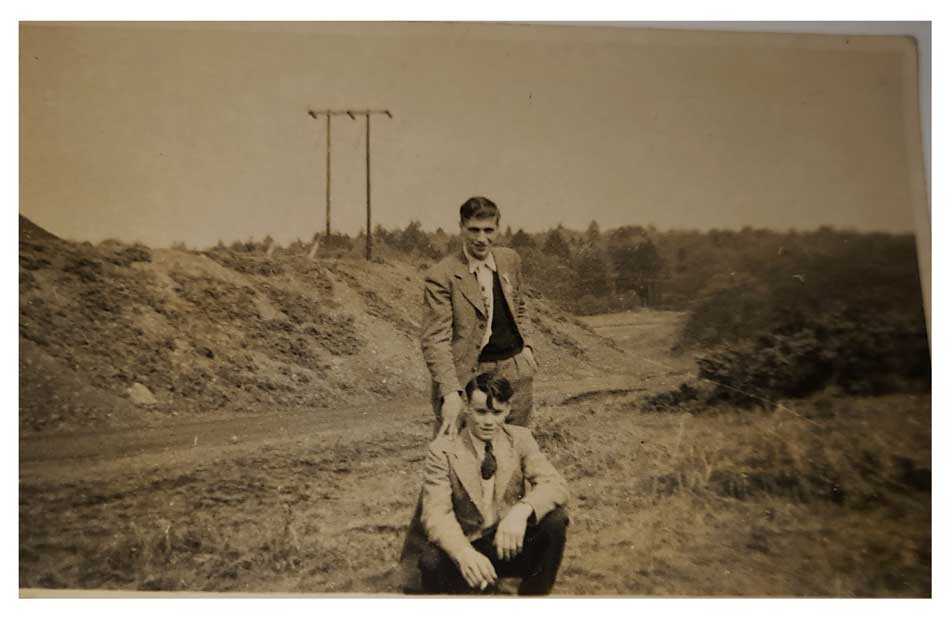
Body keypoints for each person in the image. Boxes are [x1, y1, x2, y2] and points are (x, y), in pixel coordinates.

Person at [398, 196, 541, 591]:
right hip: (469, 382)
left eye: (489, 230)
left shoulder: (510, 260)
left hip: (515, 374)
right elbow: (436, 339)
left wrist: (527, 347)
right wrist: (450, 392)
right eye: (474, 230)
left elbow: (521, 306)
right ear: (461, 228)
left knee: (511, 465)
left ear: (498, 228)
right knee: (450, 467)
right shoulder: (442, 275)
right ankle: (417, 572)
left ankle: (506, 564)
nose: (482, 238)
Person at [418, 373, 569, 595]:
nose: (489, 422)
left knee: (555, 521)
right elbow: (436, 514)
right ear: (466, 407)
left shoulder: (520, 438)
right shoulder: (443, 450)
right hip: (468, 545)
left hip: (508, 543)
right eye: (481, 412)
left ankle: (533, 600)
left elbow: (555, 484)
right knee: (430, 561)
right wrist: (463, 553)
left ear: (508, 409)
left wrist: (521, 511)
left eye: (497, 413)